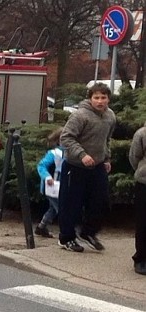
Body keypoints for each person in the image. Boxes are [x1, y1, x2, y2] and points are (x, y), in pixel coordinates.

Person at [57, 82, 115, 253]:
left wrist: (106, 158)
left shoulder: (110, 116)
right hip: (75, 166)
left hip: (97, 165)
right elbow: (66, 138)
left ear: (108, 99)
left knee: (100, 201)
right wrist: (82, 155)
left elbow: (107, 139)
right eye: (96, 97)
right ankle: (66, 238)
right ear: (90, 99)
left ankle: (88, 232)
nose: (100, 101)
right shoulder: (80, 116)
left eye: (103, 98)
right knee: (71, 204)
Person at [34, 127, 64, 239]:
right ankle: (66, 232)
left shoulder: (71, 153)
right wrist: (47, 177)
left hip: (61, 186)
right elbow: (41, 165)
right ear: (59, 140)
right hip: (52, 186)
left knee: (53, 208)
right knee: (61, 208)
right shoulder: (54, 153)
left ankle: (41, 226)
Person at [128, 122, 146, 275]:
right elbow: (134, 157)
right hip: (144, 183)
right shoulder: (141, 134)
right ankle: (140, 259)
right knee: (143, 223)